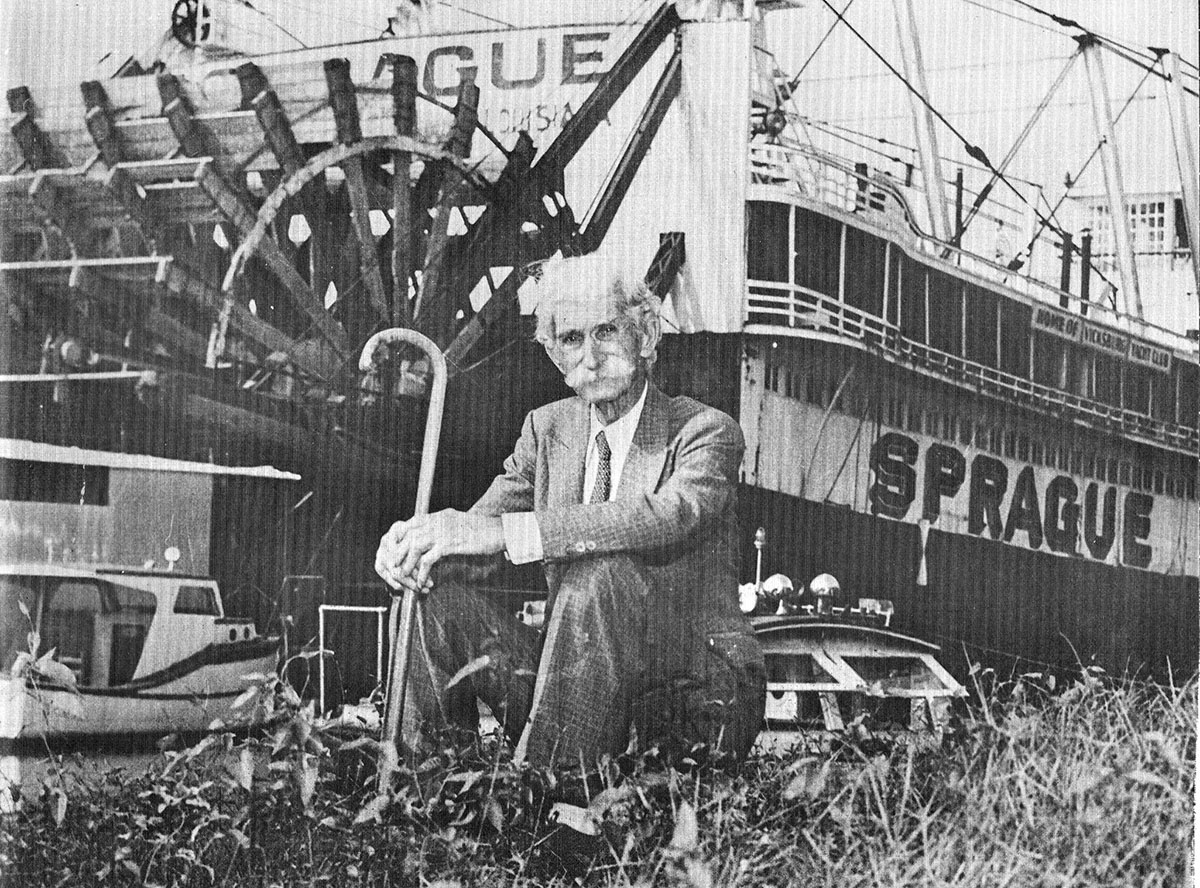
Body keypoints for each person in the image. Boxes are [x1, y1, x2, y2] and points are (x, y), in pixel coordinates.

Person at [374, 249, 765, 770]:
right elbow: (477, 533)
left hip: (690, 694)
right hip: (577, 688)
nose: (591, 356)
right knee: (431, 596)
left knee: (598, 573)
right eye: (572, 339)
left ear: (645, 337)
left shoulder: (705, 431)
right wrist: (417, 545)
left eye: (606, 331)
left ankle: (548, 809)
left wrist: (504, 533)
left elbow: (669, 515)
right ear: (555, 355)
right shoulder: (546, 430)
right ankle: (423, 797)